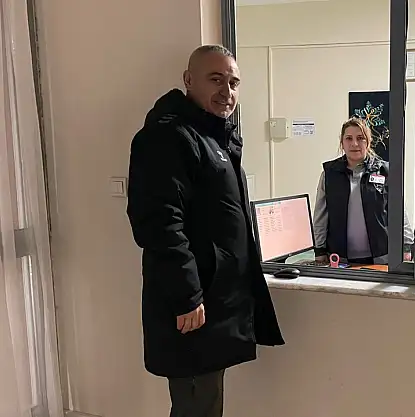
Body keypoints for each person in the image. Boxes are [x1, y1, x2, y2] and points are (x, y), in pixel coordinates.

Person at [126, 45, 284, 417]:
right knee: (197, 403)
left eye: (234, 83)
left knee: (206, 401)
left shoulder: (213, 137)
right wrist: (187, 295)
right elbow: (160, 223)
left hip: (216, 300)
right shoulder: (168, 136)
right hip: (193, 303)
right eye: (216, 79)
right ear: (188, 80)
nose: (226, 91)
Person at [313, 117, 414, 265]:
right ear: (342, 143)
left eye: (360, 138)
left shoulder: (385, 171)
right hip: (340, 259)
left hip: (381, 257)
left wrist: (406, 245)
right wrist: (319, 249)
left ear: (368, 141)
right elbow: (320, 216)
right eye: (349, 138)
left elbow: (399, 212)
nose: (354, 143)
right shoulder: (329, 174)